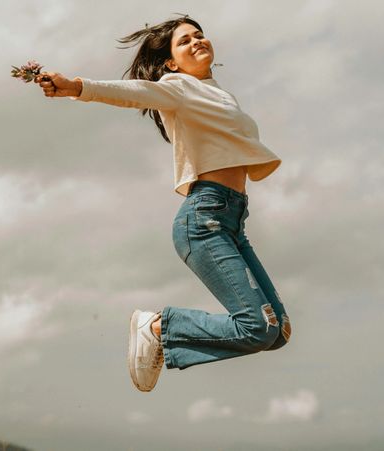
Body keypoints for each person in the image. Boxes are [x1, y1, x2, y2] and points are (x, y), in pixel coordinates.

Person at [34, 14, 292, 393]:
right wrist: (76, 86)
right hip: (205, 220)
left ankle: (164, 338)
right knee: (258, 327)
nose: (197, 41)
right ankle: (157, 326)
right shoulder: (177, 87)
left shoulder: (215, 92)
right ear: (170, 62)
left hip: (232, 221)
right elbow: (134, 92)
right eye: (185, 41)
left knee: (277, 332)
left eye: (200, 35)